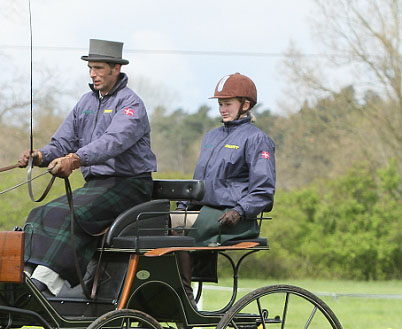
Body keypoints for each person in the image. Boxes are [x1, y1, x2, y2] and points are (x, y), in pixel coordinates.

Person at [17, 39, 157, 296]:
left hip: (129, 185)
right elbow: (62, 142)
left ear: (116, 69)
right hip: (96, 186)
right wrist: (39, 157)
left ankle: (46, 284)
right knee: (39, 214)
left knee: (69, 215)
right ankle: (26, 276)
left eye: (99, 68)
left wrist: (76, 159)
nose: (93, 74)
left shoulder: (130, 105)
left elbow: (112, 143)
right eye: (90, 68)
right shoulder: (85, 103)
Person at [176, 72, 276, 245]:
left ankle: (188, 273)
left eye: (228, 104)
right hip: (203, 210)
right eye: (220, 104)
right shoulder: (211, 137)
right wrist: (182, 205)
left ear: (245, 105)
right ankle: (189, 273)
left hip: (233, 215)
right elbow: (199, 179)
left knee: (183, 237)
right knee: (159, 226)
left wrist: (239, 211)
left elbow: (264, 190)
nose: (223, 109)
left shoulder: (257, 140)